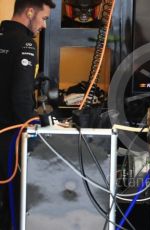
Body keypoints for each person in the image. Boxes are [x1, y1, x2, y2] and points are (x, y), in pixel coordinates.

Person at [0, 0, 55, 229]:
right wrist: (41, 127)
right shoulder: (25, 44)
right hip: (9, 139)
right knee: (13, 206)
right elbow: (21, 100)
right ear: (30, 12)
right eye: (43, 18)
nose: (43, 25)